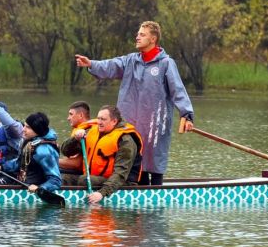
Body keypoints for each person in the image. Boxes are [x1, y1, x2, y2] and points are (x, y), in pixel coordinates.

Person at [75, 21, 194, 185]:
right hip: (130, 122)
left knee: (154, 162)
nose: (137, 37)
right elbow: (109, 65)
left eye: (142, 34)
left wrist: (186, 115)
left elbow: (178, 90)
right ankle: (136, 194)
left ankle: (155, 195)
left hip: (155, 124)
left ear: (153, 39)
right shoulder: (130, 60)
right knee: (135, 160)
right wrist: (91, 64)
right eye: (138, 34)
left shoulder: (166, 63)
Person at [60, 105, 143, 204]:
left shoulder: (125, 141)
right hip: (93, 177)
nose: (99, 122)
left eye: (103, 119)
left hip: (122, 182)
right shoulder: (91, 132)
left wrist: (101, 193)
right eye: (98, 118)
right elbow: (65, 151)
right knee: (60, 177)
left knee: (84, 180)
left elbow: (120, 174)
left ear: (114, 121)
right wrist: (75, 139)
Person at [0, 112, 61, 194]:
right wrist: (1, 167)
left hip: (31, 187)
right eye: (24, 125)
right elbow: (19, 163)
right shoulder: (30, 142)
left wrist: (40, 188)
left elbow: (55, 180)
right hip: (20, 181)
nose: (23, 129)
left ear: (37, 130)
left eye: (28, 127)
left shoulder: (44, 151)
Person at [58, 101, 95, 174]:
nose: (68, 118)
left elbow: (76, 164)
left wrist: (49, 160)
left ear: (81, 115)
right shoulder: (79, 130)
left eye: (71, 114)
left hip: (81, 173)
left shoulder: (86, 133)